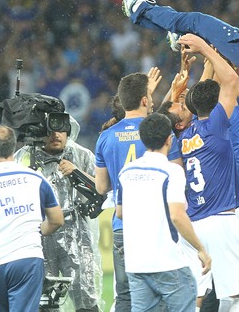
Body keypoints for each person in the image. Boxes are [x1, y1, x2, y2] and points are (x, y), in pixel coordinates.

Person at [175, 33, 239, 311]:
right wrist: (207, 49)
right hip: (222, 218)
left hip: (194, 223)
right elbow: (232, 81)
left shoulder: (182, 138)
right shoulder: (219, 124)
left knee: (197, 296)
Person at [0, 126, 64, 312]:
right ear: (13, 148)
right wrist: (35, 232)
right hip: (26, 258)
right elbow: (57, 219)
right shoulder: (36, 178)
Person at [117, 112, 211, 312]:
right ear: (170, 139)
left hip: (137, 264)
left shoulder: (126, 172)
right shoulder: (172, 171)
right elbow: (177, 215)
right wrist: (200, 249)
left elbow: (120, 212)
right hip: (167, 261)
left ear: (143, 140)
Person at [14, 119, 102, 312]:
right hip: (40, 234)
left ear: (69, 132)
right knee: (44, 299)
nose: (56, 135)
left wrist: (77, 173)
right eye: (50, 130)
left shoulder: (82, 156)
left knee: (85, 295)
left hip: (77, 233)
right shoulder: (24, 158)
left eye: (61, 130)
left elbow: (101, 191)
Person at [95, 68, 161, 311]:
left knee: (125, 296)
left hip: (123, 225)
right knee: (159, 292)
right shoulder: (156, 130)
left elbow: (101, 186)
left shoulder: (106, 136)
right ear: (145, 100)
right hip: (155, 224)